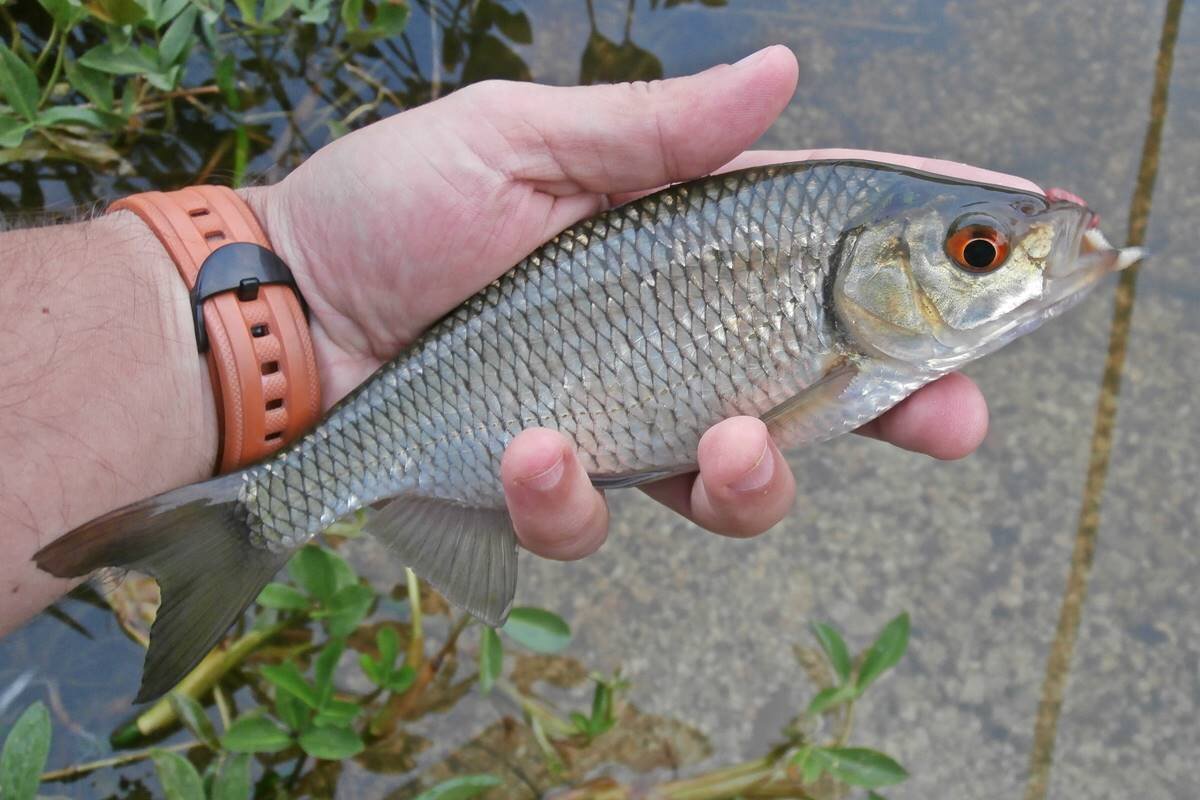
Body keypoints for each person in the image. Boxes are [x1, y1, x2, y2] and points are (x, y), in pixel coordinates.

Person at [0, 46, 987, 636]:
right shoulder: (845, 341)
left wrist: (278, 291)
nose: (999, 265)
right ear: (880, 267)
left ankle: (249, 513)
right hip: (446, 386)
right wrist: (297, 276)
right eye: (978, 252)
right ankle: (250, 521)